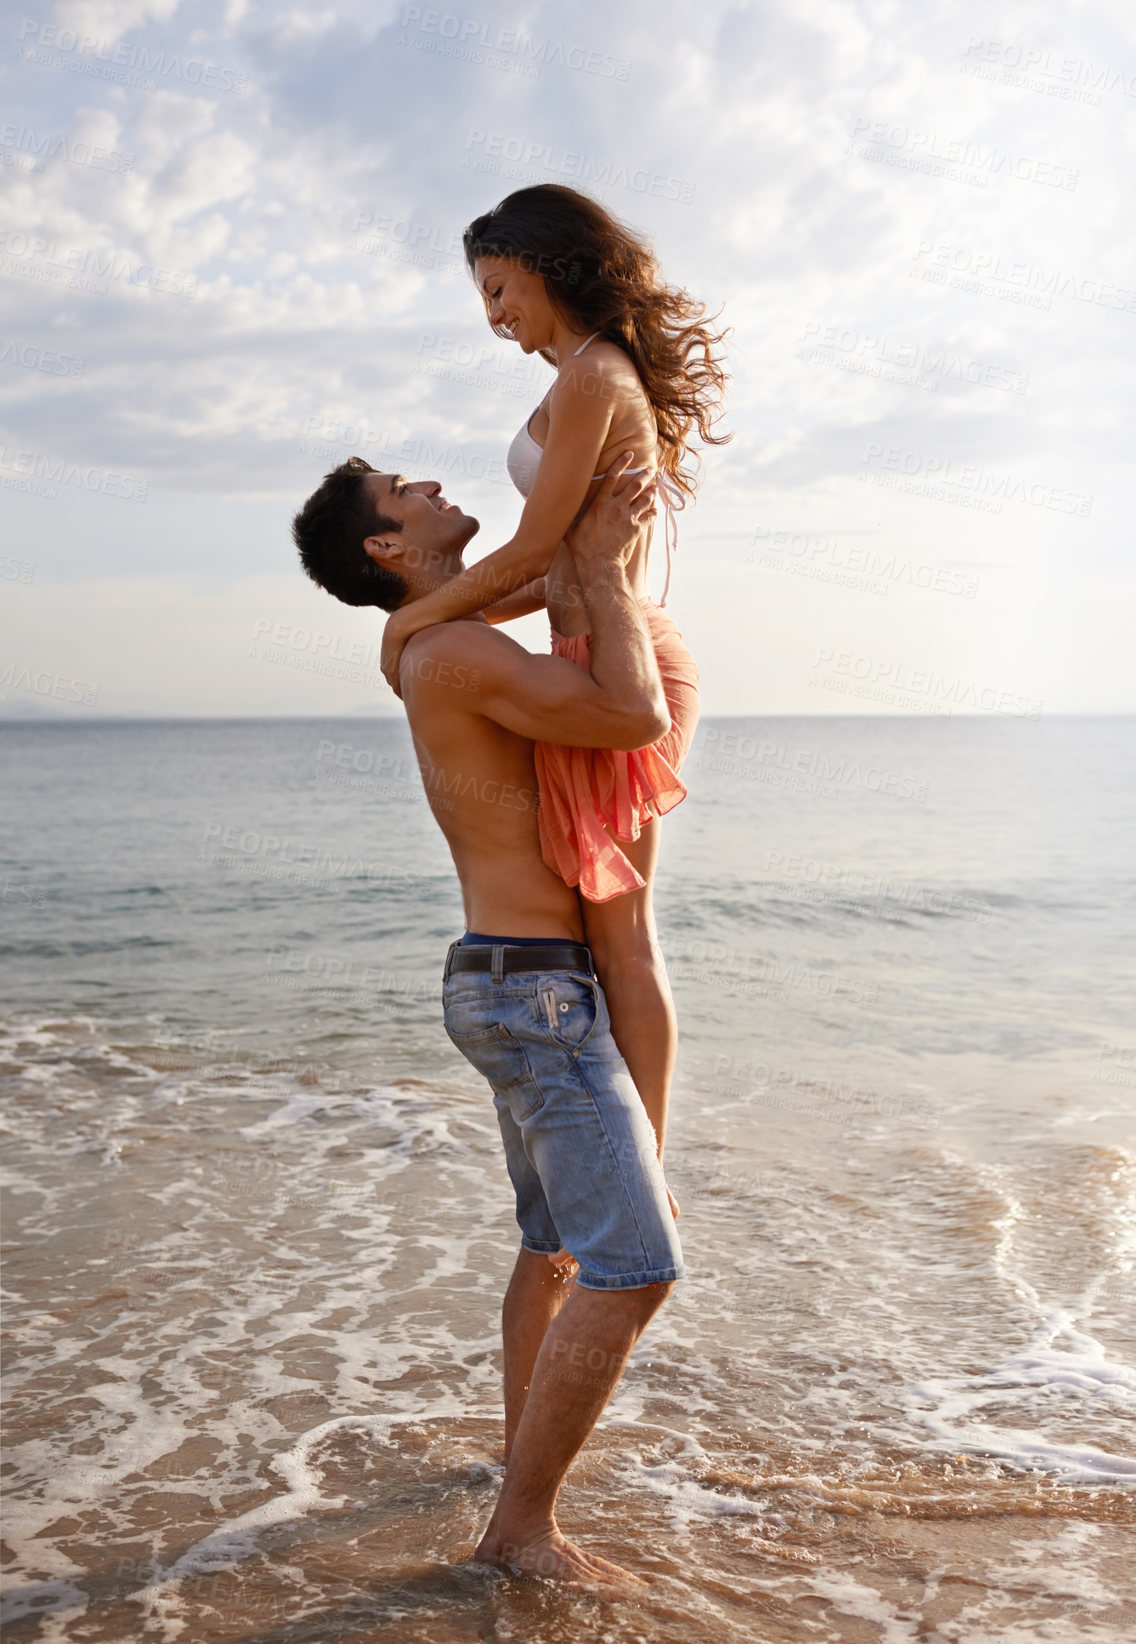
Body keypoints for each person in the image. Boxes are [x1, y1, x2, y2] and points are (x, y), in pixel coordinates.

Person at [292, 452, 682, 1590]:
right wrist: (605, 570)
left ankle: (522, 1472)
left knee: (554, 1248)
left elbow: (515, 570)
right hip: (538, 994)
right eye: (404, 489)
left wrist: (580, 551)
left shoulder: (428, 640)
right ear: (386, 545)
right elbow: (627, 714)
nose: (428, 481)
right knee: (636, 1265)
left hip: (516, 981)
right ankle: (521, 1531)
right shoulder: (455, 651)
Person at [376, 186, 729, 1220]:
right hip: (589, 645)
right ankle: (616, 1151)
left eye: (498, 288)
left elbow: (534, 552)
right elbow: (547, 567)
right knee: (594, 925)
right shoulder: (577, 375)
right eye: (482, 297)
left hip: (626, 657)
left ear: (545, 264)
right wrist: (438, 622)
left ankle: (645, 1171)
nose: (493, 314)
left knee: (621, 933)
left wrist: (409, 625)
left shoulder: (594, 375)